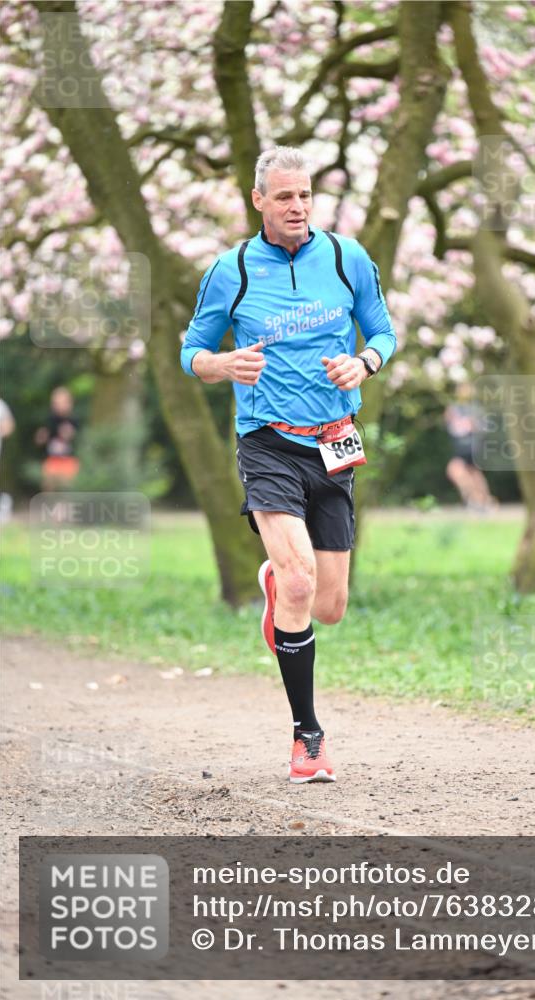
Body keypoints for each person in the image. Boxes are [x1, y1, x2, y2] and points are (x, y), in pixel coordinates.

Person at [181, 146, 396, 784]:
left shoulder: (346, 257)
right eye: (284, 196)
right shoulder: (233, 269)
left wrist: (365, 363)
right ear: (259, 202)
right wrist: (223, 365)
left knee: (328, 606)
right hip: (267, 441)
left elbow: (383, 331)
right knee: (302, 582)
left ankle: (277, 587)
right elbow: (193, 349)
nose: (297, 206)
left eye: (304, 195)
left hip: (334, 442)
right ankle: (308, 737)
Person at [444, 383, 497, 512]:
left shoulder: (475, 409)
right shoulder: (454, 409)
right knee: (471, 474)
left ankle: (476, 500)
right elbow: (452, 428)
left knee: (457, 471)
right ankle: (482, 501)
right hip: (462, 448)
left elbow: (487, 427)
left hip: (471, 448)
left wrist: (475, 425)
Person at [35, 386, 80, 491]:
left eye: (60, 402)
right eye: (55, 403)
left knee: (67, 487)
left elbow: (81, 442)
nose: (57, 406)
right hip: (52, 459)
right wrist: (41, 437)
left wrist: (71, 434)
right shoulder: (49, 419)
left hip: (69, 460)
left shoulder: (75, 420)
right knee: (48, 486)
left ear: (69, 403)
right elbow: (39, 440)